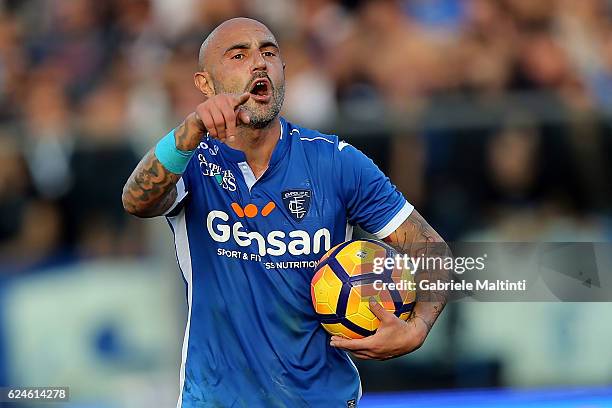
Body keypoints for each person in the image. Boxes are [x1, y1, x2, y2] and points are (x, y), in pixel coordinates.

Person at [122, 17, 449, 408]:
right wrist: (188, 131)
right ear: (206, 84)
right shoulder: (190, 160)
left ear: (282, 72)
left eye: (269, 53)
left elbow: (430, 246)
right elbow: (136, 201)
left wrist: (418, 328)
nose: (259, 63)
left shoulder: (335, 162)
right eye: (239, 55)